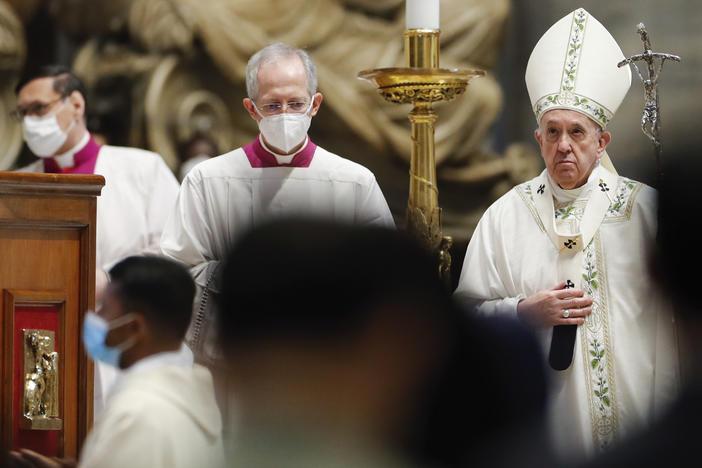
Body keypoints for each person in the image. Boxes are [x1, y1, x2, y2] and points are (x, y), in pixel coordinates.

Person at [454, 8, 680, 462]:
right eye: (552, 132)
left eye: (577, 132)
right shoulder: (504, 217)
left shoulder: (645, 212)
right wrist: (521, 312)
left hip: (642, 423)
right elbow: (465, 321)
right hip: (543, 432)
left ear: (602, 142)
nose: (563, 146)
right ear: (537, 138)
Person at [160, 42, 395, 362]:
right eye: (272, 106)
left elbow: (385, 275)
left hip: (329, 358)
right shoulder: (209, 180)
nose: (285, 115)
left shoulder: (354, 182)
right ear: (251, 108)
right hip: (237, 358)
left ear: (315, 104)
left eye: (296, 103)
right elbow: (177, 274)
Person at [13, 65, 181, 415]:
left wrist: (108, 278)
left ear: (75, 104)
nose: (31, 121)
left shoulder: (142, 169)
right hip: (41, 345)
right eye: (23, 113)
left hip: (127, 336)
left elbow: (174, 253)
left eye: (39, 109)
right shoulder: (17, 185)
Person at [9, 256, 225, 468]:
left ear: (135, 327)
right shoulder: (192, 397)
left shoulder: (136, 414)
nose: (97, 317)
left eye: (105, 308)